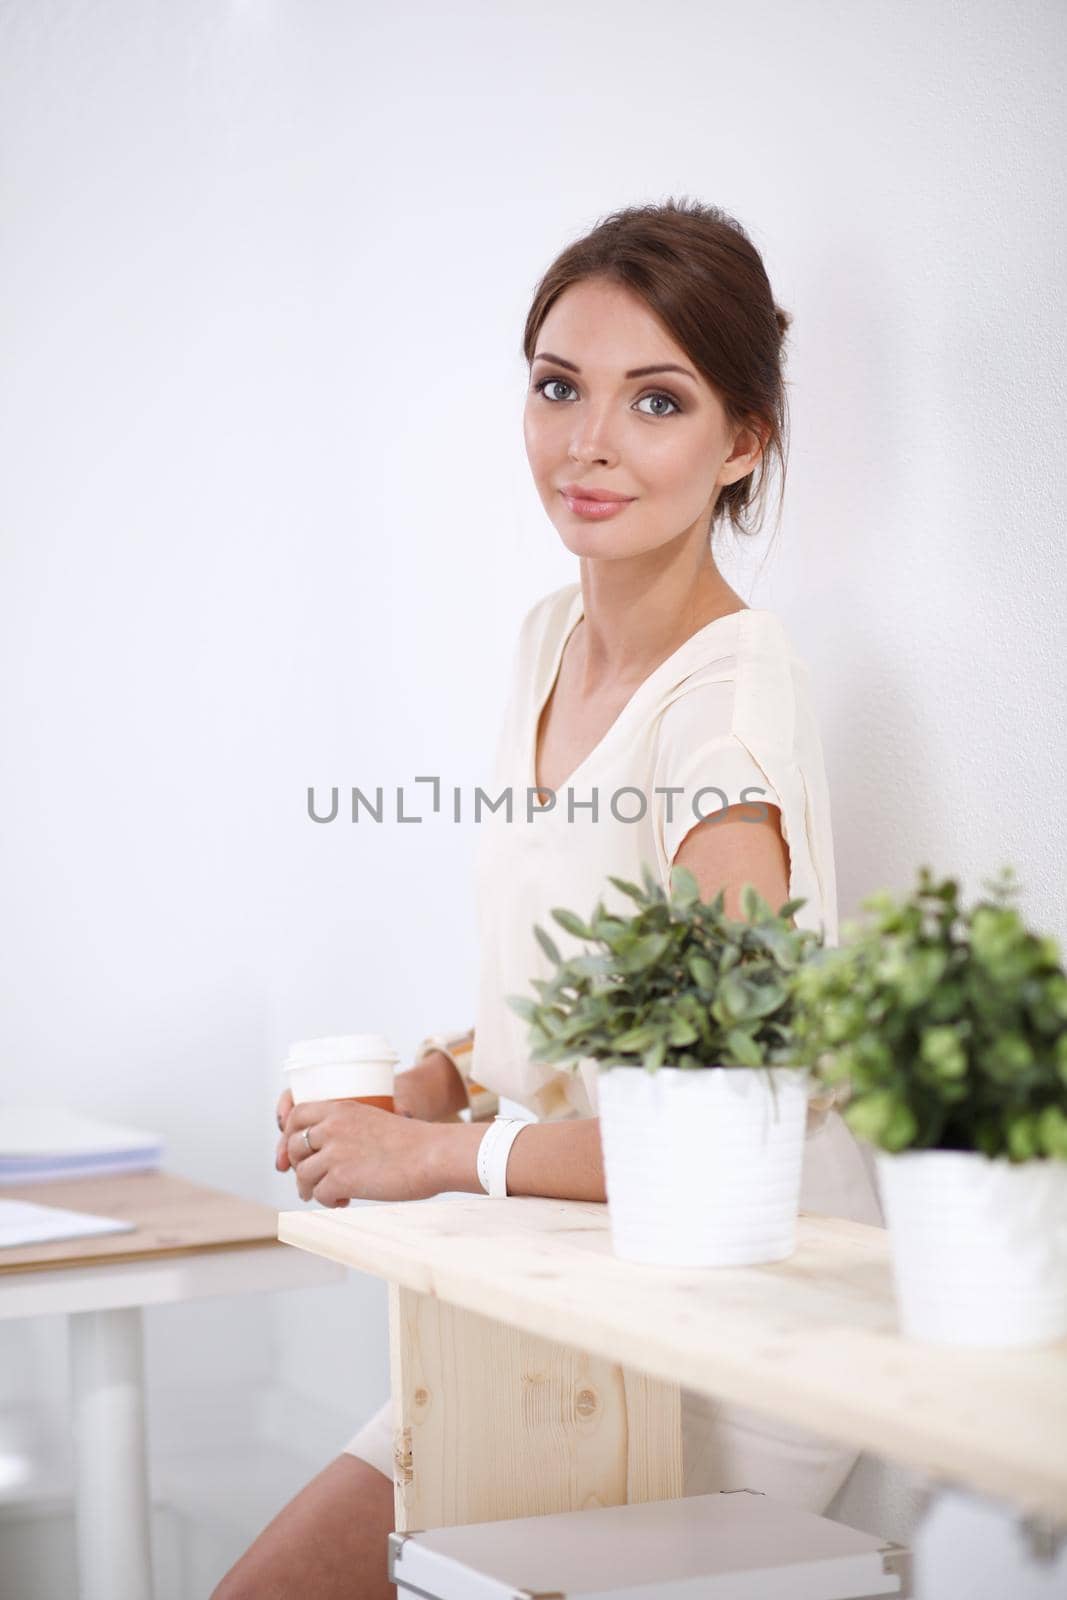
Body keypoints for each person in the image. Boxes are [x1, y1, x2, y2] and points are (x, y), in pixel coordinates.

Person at [212, 197, 883, 1600]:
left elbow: (731, 1116)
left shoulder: (732, 705)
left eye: (656, 400)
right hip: (571, 1271)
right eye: (559, 387)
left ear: (743, 439)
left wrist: (435, 1160)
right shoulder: (551, 639)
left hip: (729, 1307)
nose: (589, 442)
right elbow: (575, 974)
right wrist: (444, 1077)